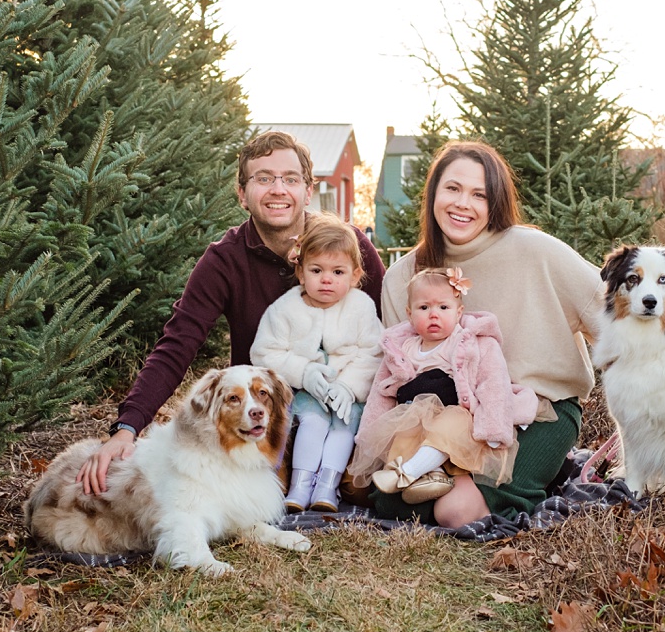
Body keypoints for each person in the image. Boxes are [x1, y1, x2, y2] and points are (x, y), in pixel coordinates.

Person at [78, 131, 385, 495]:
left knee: (364, 488)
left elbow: (389, 333)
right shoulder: (224, 260)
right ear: (242, 194)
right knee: (255, 487)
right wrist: (126, 429)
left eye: (290, 179)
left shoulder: (347, 245)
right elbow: (178, 345)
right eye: (263, 178)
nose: (278, 189)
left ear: (307, 190)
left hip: (348, 411)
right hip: (263, 418)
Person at [376, 141, 603, 528]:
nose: (463, 203)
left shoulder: (536, 251)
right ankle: (464, 478)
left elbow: (615, 316)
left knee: (454, 511)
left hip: (538, 410)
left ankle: (537, 472)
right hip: (443, 416)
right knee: (391, 505)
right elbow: (402, 372)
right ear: (433, 193)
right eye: (452, 189)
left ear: (494, 202)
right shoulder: (404, 278)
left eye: (479, 194)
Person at [349, 267, 543, 505]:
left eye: (443, 307)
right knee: (402, 432)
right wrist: (369, 432)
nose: (433, 315)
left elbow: (493, 383)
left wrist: (493, 426)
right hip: (414, 418)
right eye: (424, 308)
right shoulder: (402, 348)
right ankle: (430, 477)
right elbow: (381, 392)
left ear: (459, 312)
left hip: (460, 416)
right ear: (409, 314)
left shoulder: (470, 343)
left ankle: (409, 472)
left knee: (451, 423)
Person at [250, 214, 383, 513]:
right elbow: (265, 352)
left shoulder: (361, 306)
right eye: (316, 270)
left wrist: (349, 388)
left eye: (338, 272)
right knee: (312, 423)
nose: (326, 279)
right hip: (308, 393)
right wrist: (304, 373)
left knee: (344, 428)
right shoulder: (285, 308)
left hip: (349, 394)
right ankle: (300, 484)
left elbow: (373, 353)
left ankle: (327, 485)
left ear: (354, 275)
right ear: (300, 273)